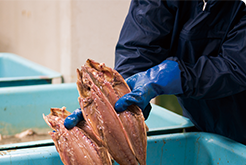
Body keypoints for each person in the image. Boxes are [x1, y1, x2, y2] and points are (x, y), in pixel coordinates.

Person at [65, 0, 246, 145]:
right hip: (203, 124)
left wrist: (180, 76)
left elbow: (236, 64)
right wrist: (122, 89)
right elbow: (140, 43)